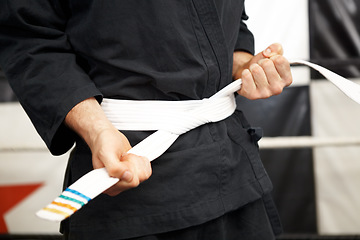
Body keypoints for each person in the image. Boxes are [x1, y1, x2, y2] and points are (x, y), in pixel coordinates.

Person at [0, 1, 292, 239]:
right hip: (130, 171)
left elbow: (229, 21)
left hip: (236, 174)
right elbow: (29, 35)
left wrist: (244, 64)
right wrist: (97, 130)